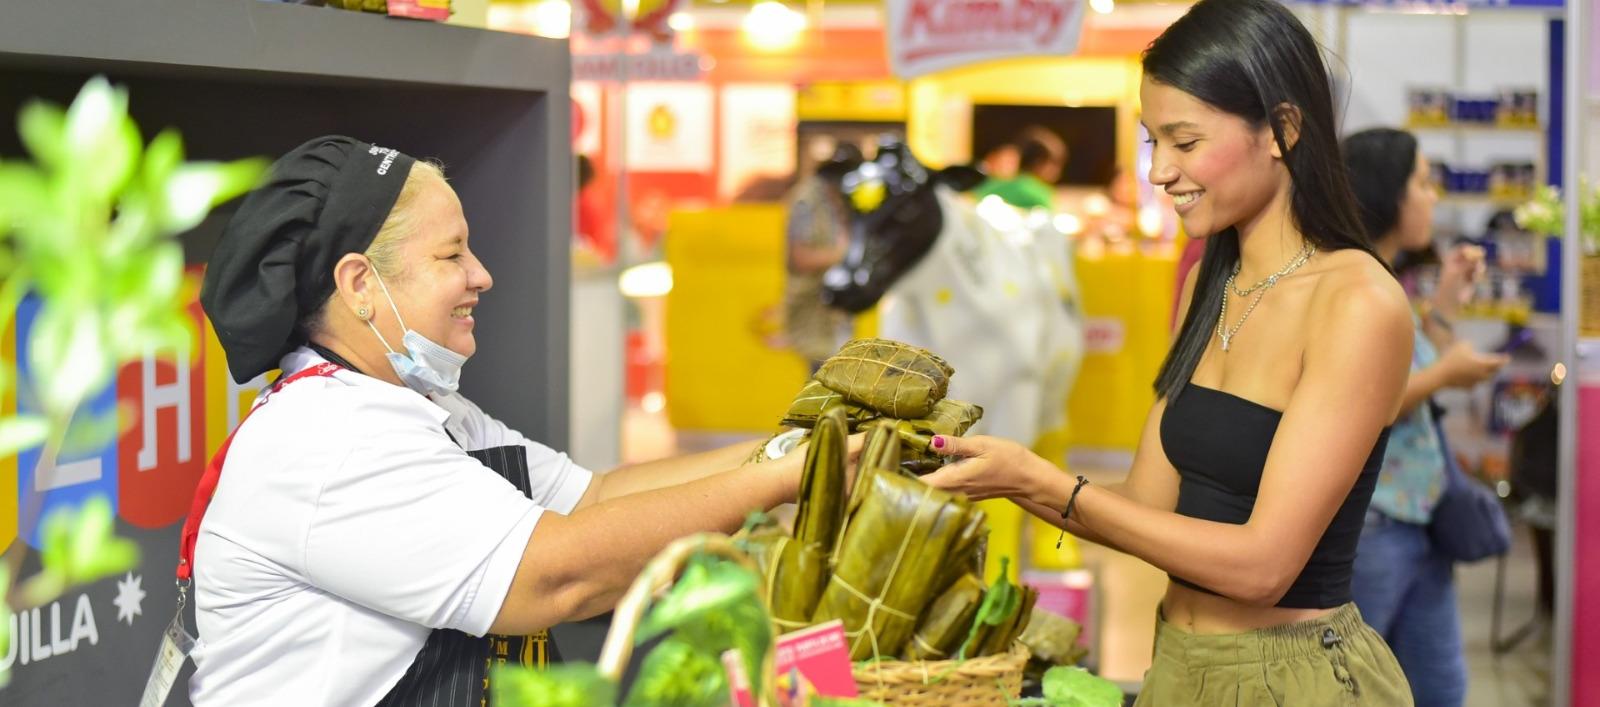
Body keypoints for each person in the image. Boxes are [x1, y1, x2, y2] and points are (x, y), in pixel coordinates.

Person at [189, 136, 827, 706]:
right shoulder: (329, 437)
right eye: (452, 255)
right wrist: (794, 476)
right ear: (360, 284)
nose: (482, 276)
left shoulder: (427, 410)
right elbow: (556, 576)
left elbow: (594, 498)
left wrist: (803, 442)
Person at [919, 1, 1416, 703]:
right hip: (1179, 665)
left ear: (1283, 129)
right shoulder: (1206, 289)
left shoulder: (1359, 303)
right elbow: (1146, 508)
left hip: (1295, 679)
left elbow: (1261, 567)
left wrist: (1043, 481)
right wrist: (1004, 473)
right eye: (1154, 141)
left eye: (1184, 141)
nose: (1159, 172)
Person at [1342, 127, 1509, 707]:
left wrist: (1444, 307)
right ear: (1385, 191)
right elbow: (1361, 405)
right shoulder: (1348, 283)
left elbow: (1412, 368)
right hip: (1373, 527)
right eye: (1421, 182)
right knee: (1359, 691)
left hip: (1420, 516)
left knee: (1438, 688)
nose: (1432, 196)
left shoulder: (1390, 280)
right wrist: (1445, 375)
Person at [782, 142, 864, 371]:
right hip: (815, 313)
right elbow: (800, 258)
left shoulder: (848, 200)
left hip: (840, 317)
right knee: (822, 385)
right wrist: (841, 254)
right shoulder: (808, 201)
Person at [973, 126, 1066, 211]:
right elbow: (1050, 223)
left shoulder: (989, 185)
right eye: (1055, 164)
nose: (1058, 172)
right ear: (1038, 162)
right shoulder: (1039, 193)